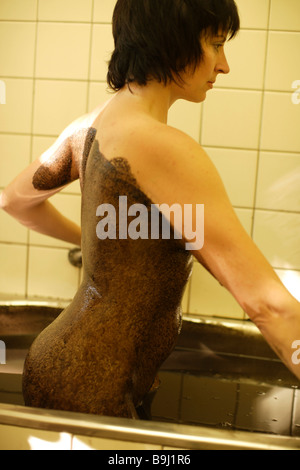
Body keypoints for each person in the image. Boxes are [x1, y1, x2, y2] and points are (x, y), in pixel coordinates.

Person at [0, 0, 299, 418]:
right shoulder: (162, 147)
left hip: (72, 372)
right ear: (171, 42)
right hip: (91, 386)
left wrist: (96, 239)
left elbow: (14, 201)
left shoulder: (89, 126)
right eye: (215, 44)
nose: (225, 64)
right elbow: (267, 305)